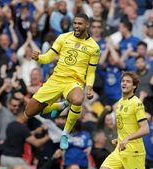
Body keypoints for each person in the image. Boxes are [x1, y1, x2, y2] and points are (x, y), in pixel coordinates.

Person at [25, 13, 100, 150]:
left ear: (87, 25)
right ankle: (60, 106)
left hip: (74, 82)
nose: (76, 26)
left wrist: (89, 87)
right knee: (29, 112)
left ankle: (65, 133)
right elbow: (47, 58)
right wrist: (38, 58)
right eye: (75, 23)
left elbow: (91, 72)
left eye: (80, 24)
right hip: (55, 79)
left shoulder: (94, 47)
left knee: (78, 100)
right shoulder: (63, 38)